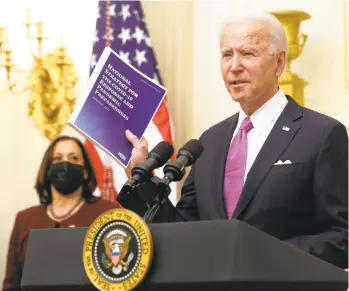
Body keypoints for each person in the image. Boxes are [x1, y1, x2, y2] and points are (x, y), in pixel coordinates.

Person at [119, 13, 348, 269]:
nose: (234, 66)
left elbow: (341, 238)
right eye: (227, 54)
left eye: (248, 53)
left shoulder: (322, 135)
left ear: (279, 62)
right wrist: (142, 182)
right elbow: (183, 231)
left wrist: (259, 254)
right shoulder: (209, 141)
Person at [3, 135, 122, 291]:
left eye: (74, 158)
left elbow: (120, 275)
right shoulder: (25, 219)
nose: (65, 163)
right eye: (58, 159)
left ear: (85, 171)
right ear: (47, 169)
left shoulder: (108, 212)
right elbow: (12, 284)